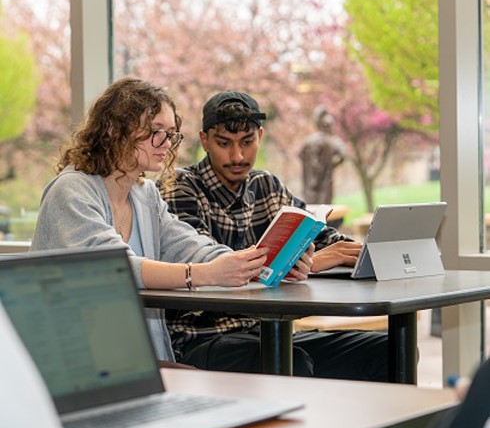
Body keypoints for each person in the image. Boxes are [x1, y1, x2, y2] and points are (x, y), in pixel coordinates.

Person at [29, 77, 313, 364]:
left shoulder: (144, 195)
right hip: (72, 364)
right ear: (114, 130)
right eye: (156, 132)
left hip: (127, 360)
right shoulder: (71, 190)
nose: (166, 143)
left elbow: (191, 245)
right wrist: (203, 274)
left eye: (171, 134)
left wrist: (261, 263)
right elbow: (112, 266)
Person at [159, 90, 389, 381]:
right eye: (223, 144)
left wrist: (375, 251)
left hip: (268, 333)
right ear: (204, 140)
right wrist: (312, 262)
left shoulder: (266, 185)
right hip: (201, 339)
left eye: (247, 142)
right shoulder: (180, 187)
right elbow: (216, 266)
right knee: (289, 361)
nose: (238, 156)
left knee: (386, 350)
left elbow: (327, 241)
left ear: (261, 136)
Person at [299, 105, 346, 204]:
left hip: (309, 183)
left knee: (311, 210)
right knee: (324, 211)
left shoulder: (307, 141)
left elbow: (300, 155)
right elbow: (343, 155)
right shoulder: (333, 141)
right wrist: (332, 165)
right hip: (325, 183)